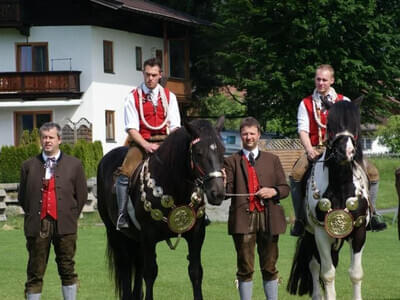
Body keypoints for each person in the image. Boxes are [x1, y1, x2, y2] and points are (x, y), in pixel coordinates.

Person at [290, 64, 387, 236]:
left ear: (332, 80)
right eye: (318, 79)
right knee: (297, 174)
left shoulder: (345, 101)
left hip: (341, 148)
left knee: (373, 172)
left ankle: (372, 214)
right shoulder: (305, 103)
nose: (321, 83)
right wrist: (310, 149)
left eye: (324, 80)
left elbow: (352, 128)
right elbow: (302, 129)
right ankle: (299, 219)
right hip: (317, 148)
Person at [18, 122, 87, 300]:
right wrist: (36, 213)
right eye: (44, 137)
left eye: (51, 137)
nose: (47, 141)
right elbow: (23, 197)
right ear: (40, 140)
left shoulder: (75, 165)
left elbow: (81, 196)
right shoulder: (28, 165)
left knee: (67, 268)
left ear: (59, 140)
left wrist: (69, 215)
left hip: (65, 224)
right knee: (35, 270)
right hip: (38, 224)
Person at [224, 117, 289, 300]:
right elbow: (225, 194)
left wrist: (273, 191)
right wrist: (220, 183)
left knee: (269, 266)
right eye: (245, 134)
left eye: (252, 133)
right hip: (243, 219)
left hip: (269, 219)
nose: (249, 137)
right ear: (240, 136)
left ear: (259, 135)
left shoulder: (273, 159)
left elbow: (285, 189)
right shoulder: (231, 161)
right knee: (245, 267)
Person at [116, 57, 181, 229]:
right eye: (147, 75)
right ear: (143, 74)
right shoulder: (133, 97)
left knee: (190, 166)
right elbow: (131, 129)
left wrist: (168, 146)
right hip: (140, 143)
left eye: (153, 75)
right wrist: (146, 145)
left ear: (160, 75)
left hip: (166, 142)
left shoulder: (170, 97)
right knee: (124, 173)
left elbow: (175, 127)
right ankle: (122, 215)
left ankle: (196, 212)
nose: (150, 78)